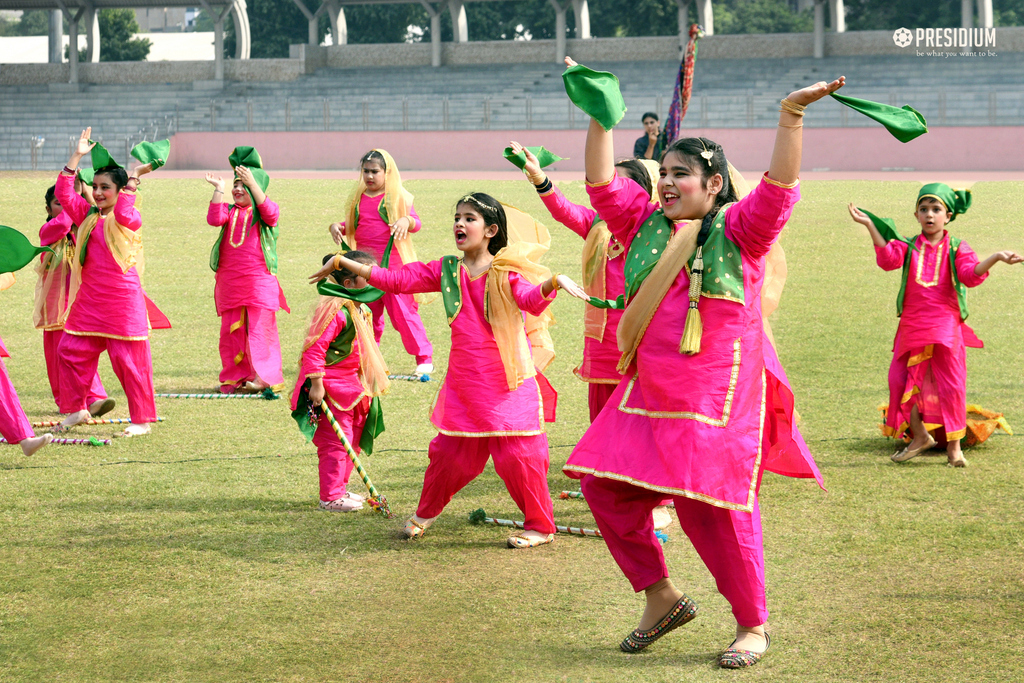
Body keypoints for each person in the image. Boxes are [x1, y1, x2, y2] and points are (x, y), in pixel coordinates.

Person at [561, 57, 838, 668]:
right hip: (646, 395)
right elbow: (602, 183)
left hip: (715, 400)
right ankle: (661, 596)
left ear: (713, 184)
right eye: (662, 172)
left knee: (712, 512)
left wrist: (790, 117)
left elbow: (780, 188)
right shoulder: (642, 224)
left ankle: (752, 624)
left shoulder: (741, 231)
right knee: (604, 489)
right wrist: (601, 118)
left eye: (680, 174)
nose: (664, 183)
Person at [312, 192, 587, 548]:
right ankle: (425, 513)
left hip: (507, 382)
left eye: (470, 218)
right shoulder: (446, 270)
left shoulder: (505, 272)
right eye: (457, 216)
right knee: (448, 455)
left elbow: (530, 300)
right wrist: (344, 263)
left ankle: (540, 526)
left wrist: (553, 283)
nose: (459, 223)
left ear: (490, 230)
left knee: (520, 456)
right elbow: (394, 280)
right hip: (465, 383)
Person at [849, 187, 1022, 467]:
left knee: (950, 385)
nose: (929, 214)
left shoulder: (958, 248)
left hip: (944, 324)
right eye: (924, 209)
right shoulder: (908, 246)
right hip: (912, 325)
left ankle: (955, 449)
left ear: (948, 216)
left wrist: (996, 257)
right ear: (916, 215)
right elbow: (888, 260)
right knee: (899, 381)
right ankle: (920, 436)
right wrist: (870, 225)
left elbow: (969, 274)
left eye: (936, 209)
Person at [55, 127, 161, 436]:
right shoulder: (89, 216)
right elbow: (64, 194)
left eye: (106, 188)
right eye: (96, 186)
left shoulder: (129, 218)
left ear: (119, 190)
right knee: (70, 349)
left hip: (121, 302)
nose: (99, 193)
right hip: (89, 301)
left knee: (128, 363)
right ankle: (77, 409)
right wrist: (76, 156)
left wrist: (135, 177)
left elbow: (127, 208)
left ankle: (141, 421)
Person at [292, 251, 390, 512]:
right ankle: (330, 496)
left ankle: (341, 488)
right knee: (336, 442)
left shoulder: (361, 308)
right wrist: (316, 384)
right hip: (331, 389)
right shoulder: (334, 310)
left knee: (352, 441)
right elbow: (313, 349)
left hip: (356, 388)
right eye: (366, 276)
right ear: (348, 284)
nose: (374, 279)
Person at [329, 150, 434, 377]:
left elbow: (416, 223)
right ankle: (367, 356)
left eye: (375, 171)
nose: (369, 176)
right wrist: (337, 227)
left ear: (387, 173)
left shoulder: (396, 197)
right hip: (364, 269)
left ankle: (424, 357)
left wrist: (406, 220)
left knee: (403, 314)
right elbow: (353, 224)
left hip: (393, 268)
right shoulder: (358, 198)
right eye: (365, 171)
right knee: (367, 313)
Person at [206, 146, 289, 394]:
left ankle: (264, 377)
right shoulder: (230, 212)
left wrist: (255, 185)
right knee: (231, 333)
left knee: (259, 330)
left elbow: (272, 214)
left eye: (245, 185)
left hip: (258, 284)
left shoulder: (263, 213)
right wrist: (219, 189)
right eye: (236, 185)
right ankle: (235, 377)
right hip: (230, 283)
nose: (238, 189)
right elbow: (213, 218)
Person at [35, 181, 111, 416]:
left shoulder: (83, 230)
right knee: (57, 353)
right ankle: (66, 400)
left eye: (64, 202)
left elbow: (95, 214)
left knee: (82, 350)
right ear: (48, 210)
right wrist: (73, 198)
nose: (63, 207)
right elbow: (64, 222)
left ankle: (94, 398)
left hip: (80, 302)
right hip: (54, 305)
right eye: (58, 203)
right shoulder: (48, 231)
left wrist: (82, 195)